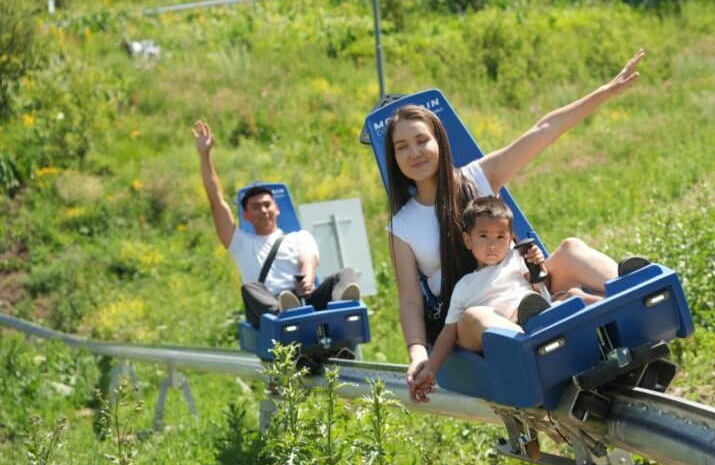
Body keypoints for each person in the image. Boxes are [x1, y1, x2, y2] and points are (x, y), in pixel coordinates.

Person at [384, 49, 647, 401]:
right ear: (394, 158)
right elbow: (411, 301)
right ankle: (543, 345)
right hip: (476, 317)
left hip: (522, 290)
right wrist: (419, 353)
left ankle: (632, 292)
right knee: (477, 316)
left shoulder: (478, 177)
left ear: (439, 141)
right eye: (402, 147)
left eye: (421, 141)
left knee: (569, 249)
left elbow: (543, 130)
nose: (414, 153)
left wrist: (603, 92)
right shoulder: (402, 225)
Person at [408, 195, 601, 402]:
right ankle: (527, 338)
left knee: (572, 295)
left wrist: (536, 264)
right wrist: (432, 368)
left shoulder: (515, 260)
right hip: (505, 329)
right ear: (467, 240)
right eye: (483, 236)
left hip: (536, 312)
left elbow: (539, 284)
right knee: (478, 315)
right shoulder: (465, 285)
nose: (492, 244)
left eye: (500, 237)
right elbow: (449, 331)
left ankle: (614, 303)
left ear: (510, 240)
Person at [192, 120, 360, 327]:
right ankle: (283, 311)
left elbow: (308, 260)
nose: (263, 210)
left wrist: (307, 280)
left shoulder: (299, 237)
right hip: (269, 311)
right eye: (256, 207)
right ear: (246, 215)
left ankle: (341, 311)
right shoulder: (241, 243)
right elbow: (216, 203)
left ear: (277, 209)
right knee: (249, 288)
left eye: (266, 205)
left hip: (301, 299)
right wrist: (205, 156)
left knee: (345, 274)